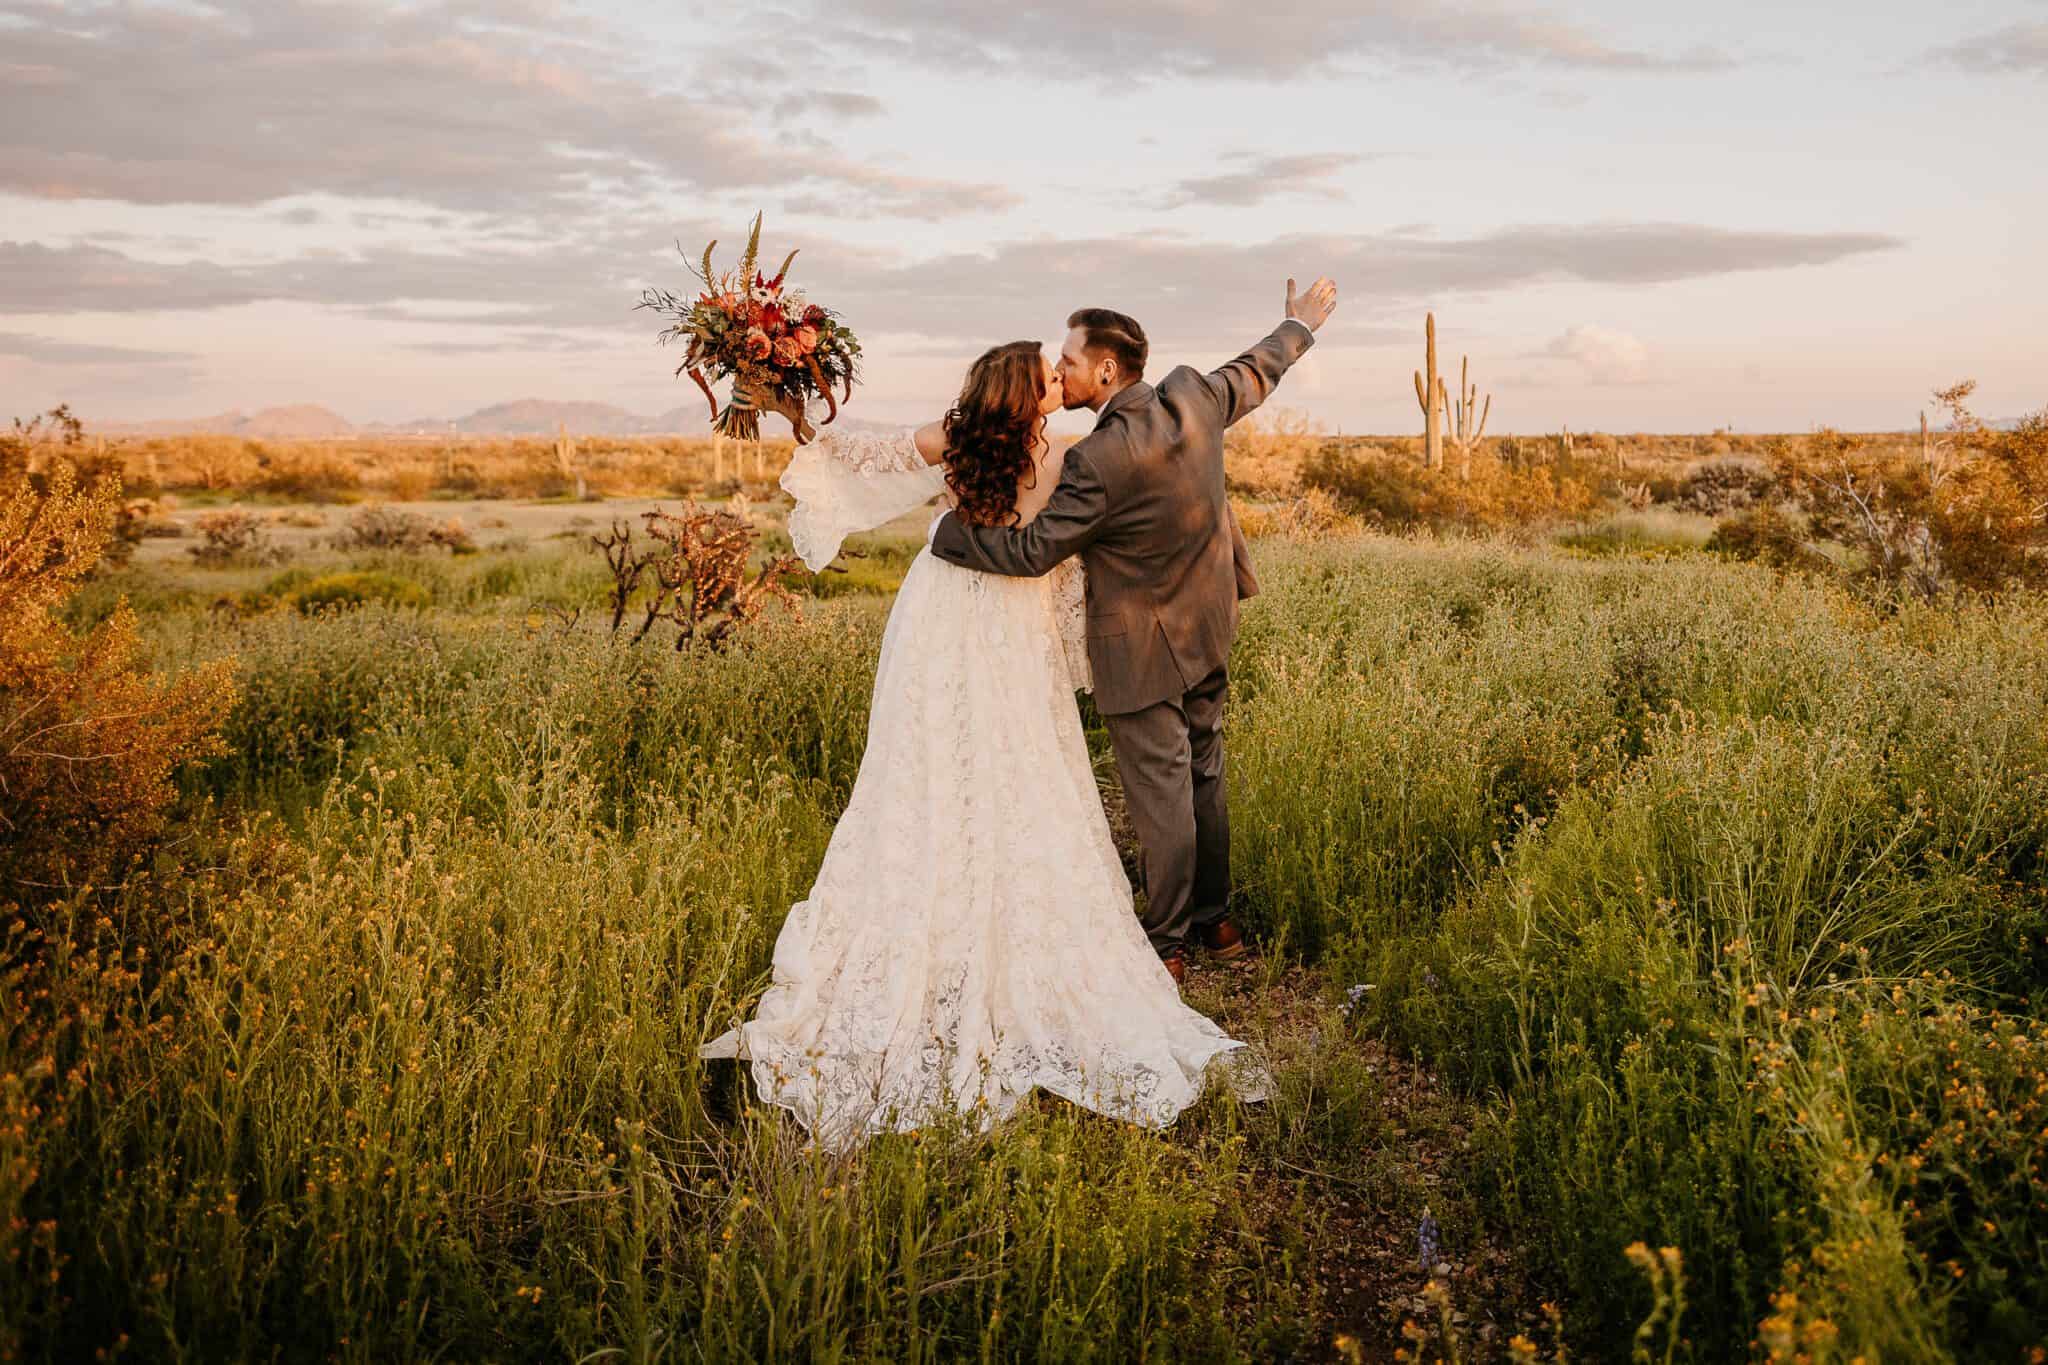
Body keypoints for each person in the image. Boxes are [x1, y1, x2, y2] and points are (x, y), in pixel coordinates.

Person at [929, 278, 1339, 980]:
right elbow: (1256, 370)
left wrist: (951, 536)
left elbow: (1032, 553)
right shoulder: (1192, 396)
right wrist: (1298, 326)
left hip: (1144, 649)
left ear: (1106, 371)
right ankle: (1219, 924)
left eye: (1069, 359)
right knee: (1204, 774)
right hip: (1210, 620)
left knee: (1161, 794)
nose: (1060, 370)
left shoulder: (1098, 461)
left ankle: (1168, 944)